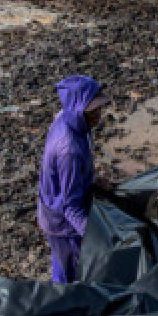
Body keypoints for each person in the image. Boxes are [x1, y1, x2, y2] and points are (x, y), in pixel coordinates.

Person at [37, 75, 109, 283]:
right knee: (69, 276)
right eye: (92, 110)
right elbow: (70, 207)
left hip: (53, 206)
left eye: (99, 108)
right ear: (79, 110)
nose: (98, 114)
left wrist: (93, 181)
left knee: (65, 266)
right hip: (62, 222)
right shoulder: (69, 149)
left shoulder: (67, 118)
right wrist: (94, 238)